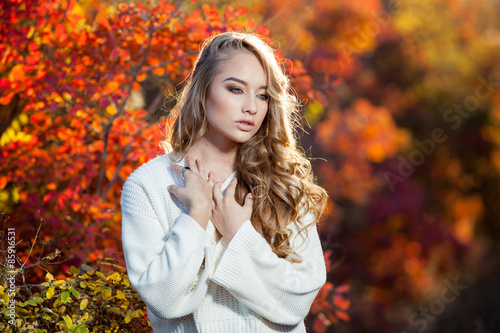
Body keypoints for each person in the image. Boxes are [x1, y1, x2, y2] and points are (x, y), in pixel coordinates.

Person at [121, 31, 328, 333]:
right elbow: (164, 300)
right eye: (235, 89)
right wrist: (197, 215)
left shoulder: (285, 183)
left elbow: (296, 303)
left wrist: (238, 233)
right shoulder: (147, 185)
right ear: (203, 91)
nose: (251, 107)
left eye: (262, 95)